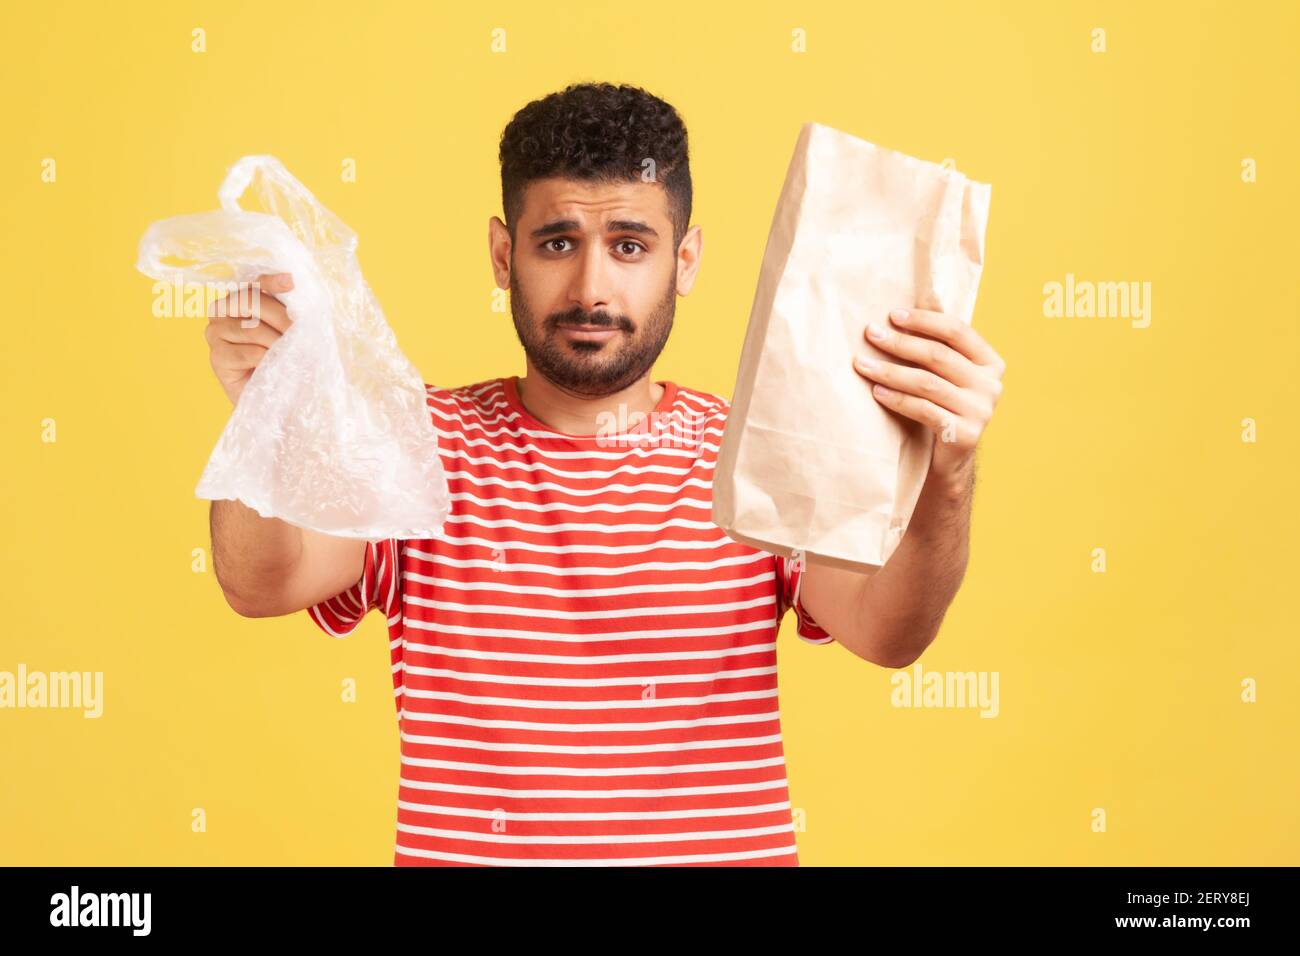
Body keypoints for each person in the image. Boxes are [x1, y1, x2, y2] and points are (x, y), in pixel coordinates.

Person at [203, 82, 1007, 866]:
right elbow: (260, 583)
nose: (592, 289)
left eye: (630, 245)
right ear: (500, 254)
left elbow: (887, 632)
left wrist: (950, 469)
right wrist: (260, 413)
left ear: (685, 260)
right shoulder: (416, 444)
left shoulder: (758, 446)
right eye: (558, 242)